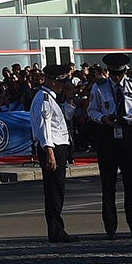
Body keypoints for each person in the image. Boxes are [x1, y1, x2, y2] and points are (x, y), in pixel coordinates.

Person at [85, 53, 132, 239]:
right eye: (113, 74)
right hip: (107, 135)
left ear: (125, 72)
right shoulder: (99, 87)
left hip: (128, 133)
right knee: (108, 185)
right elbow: (91, 110)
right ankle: (110, 227)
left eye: (119, 74)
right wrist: (103, 118)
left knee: (131, 184)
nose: (116, 78)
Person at [29, 67, 76, 244]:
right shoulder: (44, 98)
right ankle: (56, 230)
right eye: (63, 82)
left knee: (57, 189)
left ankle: (57, 228)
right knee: (54, 191)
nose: (64, 86)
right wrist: (49, 151)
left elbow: (65, 117)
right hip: (53, 148)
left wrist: (70, 98)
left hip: (58, 147)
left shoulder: (52, 98)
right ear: (53, 81)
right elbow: (44, 127)